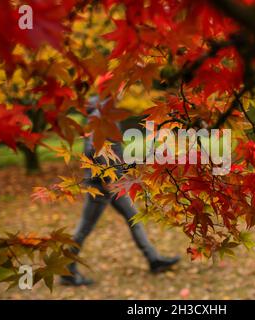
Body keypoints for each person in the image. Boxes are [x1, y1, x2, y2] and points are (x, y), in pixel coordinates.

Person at [60, 97, 180, 286]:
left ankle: (154, 259)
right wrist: (107, 179)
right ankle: (66, 271)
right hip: (101, 187)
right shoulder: (102, 117)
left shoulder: (99, 116)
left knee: (134, 219)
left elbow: (111, 150)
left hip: (113, 184)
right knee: (84, 228)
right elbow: (95, 148)